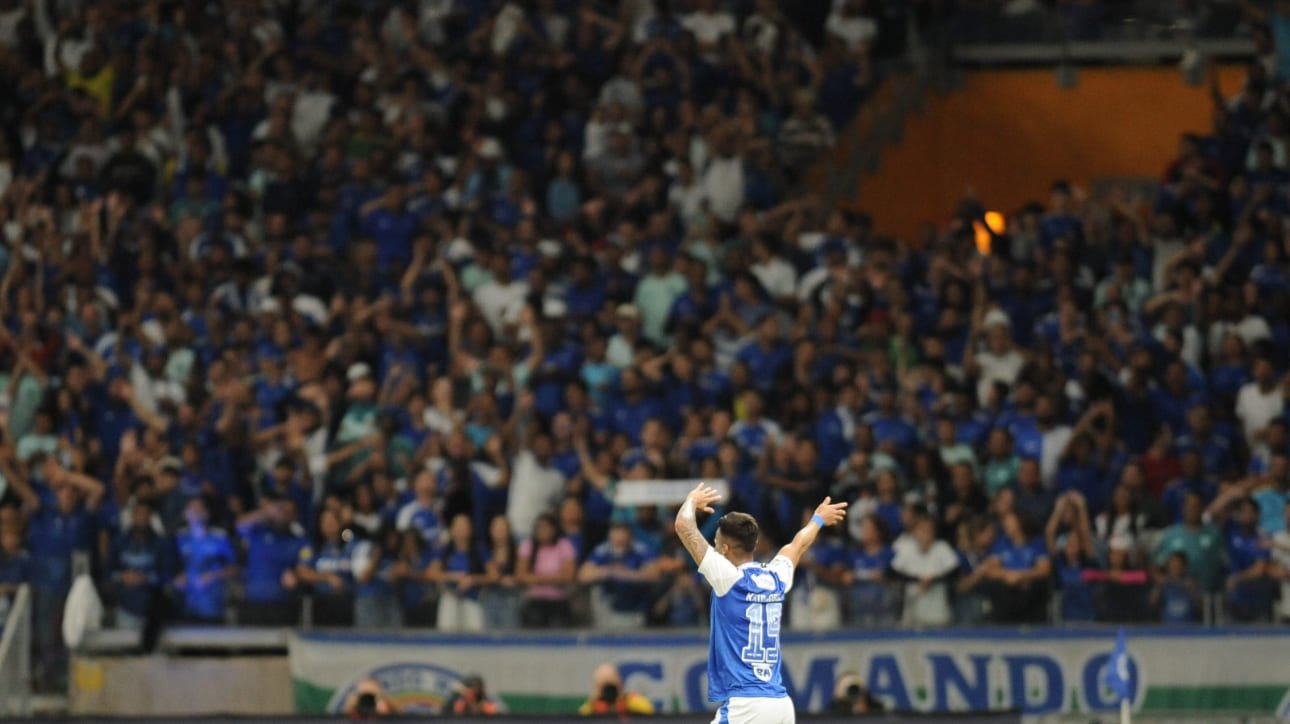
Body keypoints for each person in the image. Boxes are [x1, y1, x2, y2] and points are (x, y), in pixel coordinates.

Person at [674, 482, 847, 724]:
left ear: (724, 549)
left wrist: (691, 500)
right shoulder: (777, 576)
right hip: (780, 705)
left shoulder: (727, 577)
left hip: (746, 705)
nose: (713, 547)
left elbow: (684, 526)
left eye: (715, 542)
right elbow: (798, 545)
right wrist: (817, 520)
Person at [578, 662, 655, 716]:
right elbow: (581, 718)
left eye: (611, 685)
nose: (608, 691)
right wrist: (593, 702)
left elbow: (650, 713)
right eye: (604, 686)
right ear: (597, 687)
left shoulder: (633, 702)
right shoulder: (591, 708)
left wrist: (623, 699)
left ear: (619, 682)